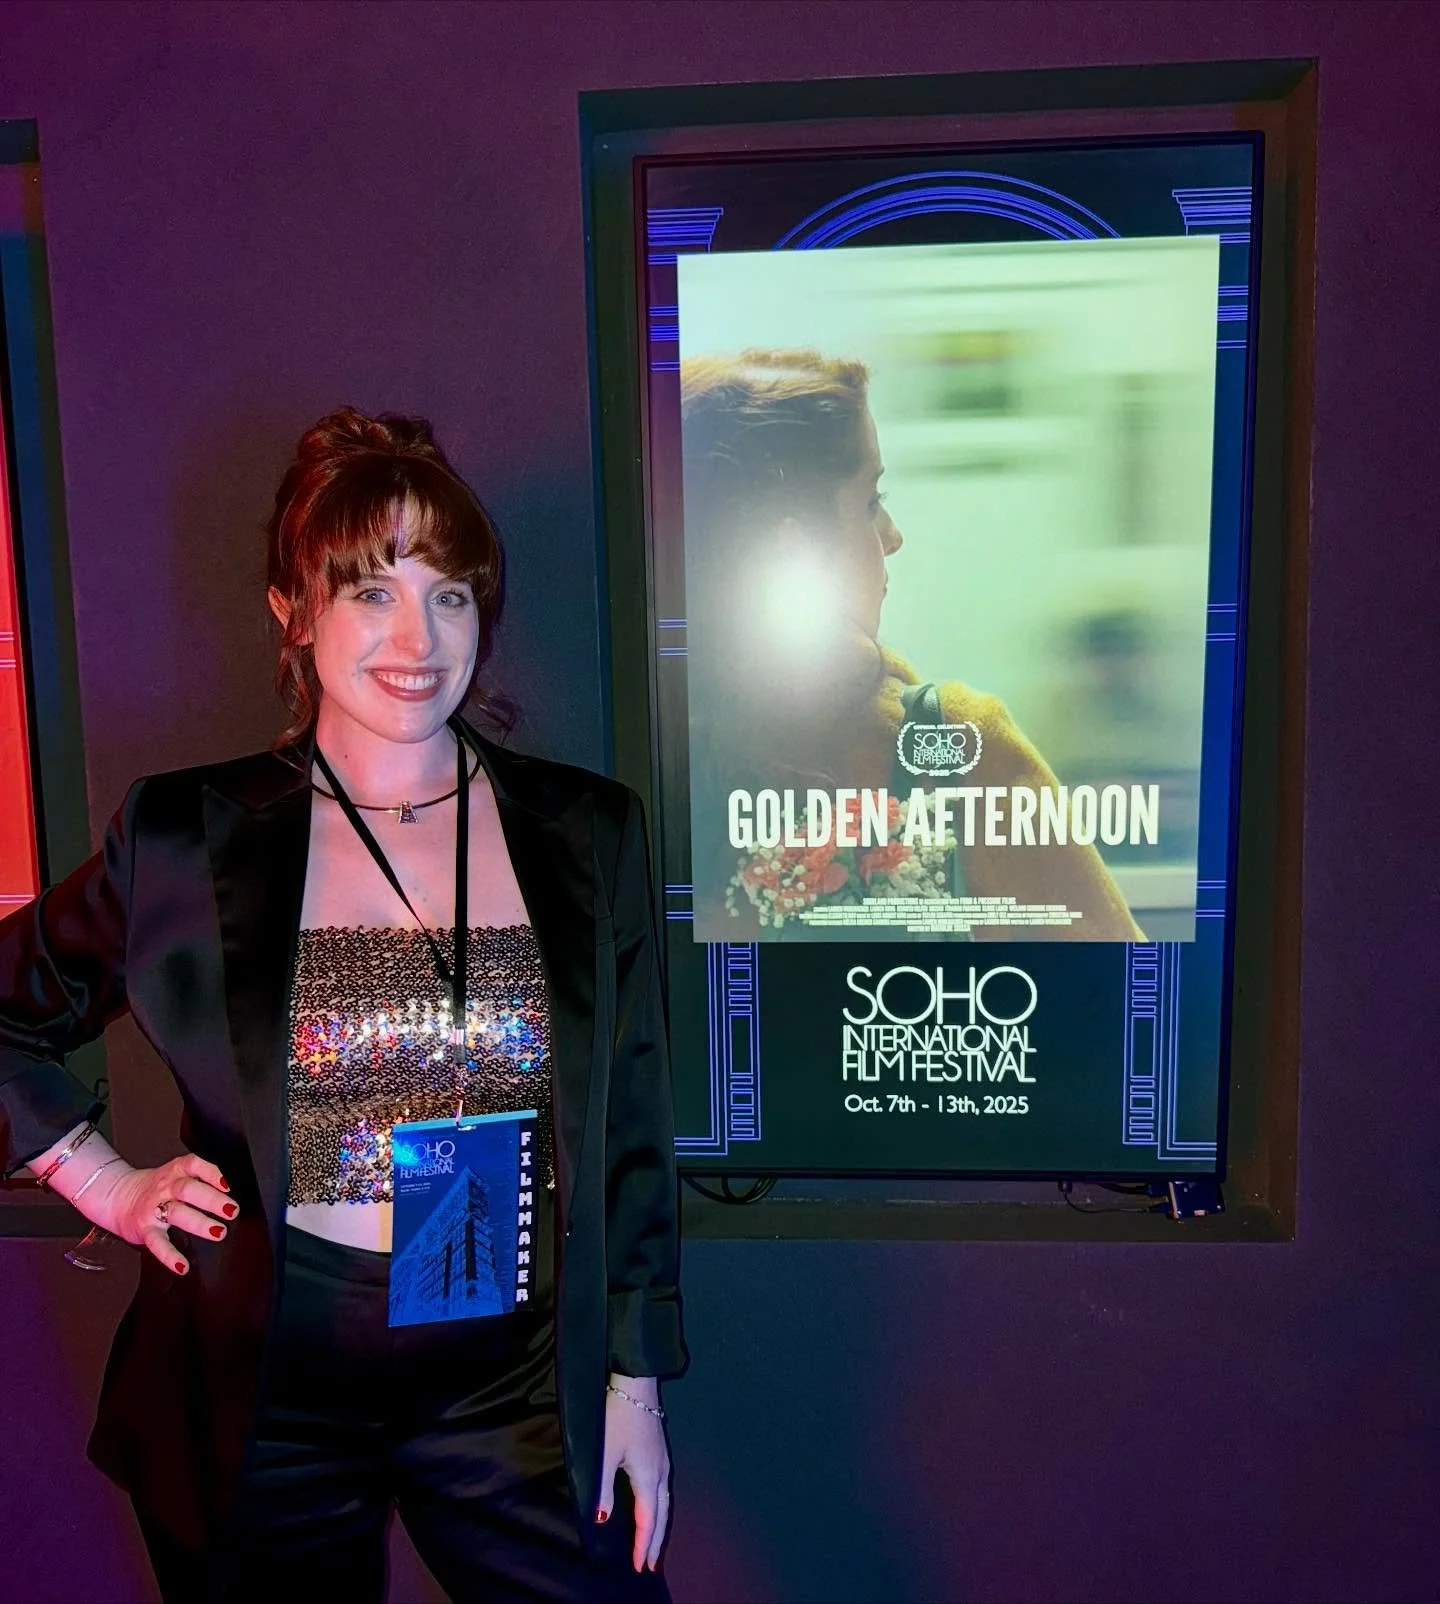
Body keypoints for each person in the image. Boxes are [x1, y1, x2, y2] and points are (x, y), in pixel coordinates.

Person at [0, 409, 685, 1602]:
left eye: (450, 594)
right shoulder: (185, 835)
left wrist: (636, 1380)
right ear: (294, 610)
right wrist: (103, 1182)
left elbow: (631, 1118)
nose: (420, 637)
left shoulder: (587, 830)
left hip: (508, 1379)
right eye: (373, 591)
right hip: (268, 1379)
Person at [679, 348, 1143, 942]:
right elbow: (1115, 981)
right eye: (870, 503)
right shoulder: (960, 747)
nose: (892, 536)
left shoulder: (651, 764)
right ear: (792, 550)